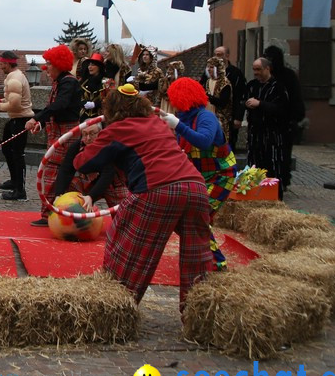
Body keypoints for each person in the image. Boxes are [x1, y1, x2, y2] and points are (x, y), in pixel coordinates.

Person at [71, 84, 212, 309]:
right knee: (198, 255)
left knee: (127, 244)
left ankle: (116, 307)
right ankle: (201, 311)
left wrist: (85, 146)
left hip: (157, 189)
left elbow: (85, 163)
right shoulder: (158, 124)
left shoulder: (119, 129)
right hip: (195, 187)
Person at [162, 77, 235, 271]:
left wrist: (177, 125)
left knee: (199, 216)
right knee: (187, 217)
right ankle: (204, 256)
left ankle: (217, 262)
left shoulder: (205, 117)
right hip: (199, 178)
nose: (173, 104)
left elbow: (203, 141)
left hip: (221, 175)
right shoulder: (183, 120)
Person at [25, 44, 81, 226]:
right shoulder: (61, 82)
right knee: (56, 172)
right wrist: (41, 123)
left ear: (58, 64)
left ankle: (51, 214)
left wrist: (37, 118)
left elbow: (61, 105)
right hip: (59, 132)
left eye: (49, 63)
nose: (46, 68)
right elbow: (56, 109)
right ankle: (56, 212)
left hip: (66, 134)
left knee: (51, 172)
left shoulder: (68, 82)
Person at [0, 51, 33, 200]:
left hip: (21, 119)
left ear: (7, 63)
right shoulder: (14, 77)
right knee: (7, 148)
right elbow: (12, 100)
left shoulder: (14, 79)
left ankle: (20, 190)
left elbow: (14, 104)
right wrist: (0, 102)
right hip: (15, 119)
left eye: (1, 64)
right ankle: (14, 181)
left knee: (17, 154)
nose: (0, 67)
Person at [245, 57, 291, 199]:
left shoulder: (278, 87)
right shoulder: (252, 85)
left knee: (272, 166)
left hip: (272, 135)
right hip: (255, 133)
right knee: (254, 166)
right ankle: (255, 194)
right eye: (254, 69)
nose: (256, 72)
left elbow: (282, 109)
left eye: (258, 69)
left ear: (267, 69)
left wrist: (260, 104)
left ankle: (274, 196)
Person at [263, 45, 305, 173]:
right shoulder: (265, 76)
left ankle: (282, 179)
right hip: (268, 121)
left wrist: (294, 119)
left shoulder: (287, 76)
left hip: (284, 121)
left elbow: (295, 98)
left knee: (283, 154)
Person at [214, 45, 248, 153]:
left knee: (229, 145)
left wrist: (238, 117)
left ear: (227, 56)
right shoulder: (210, 73)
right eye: (216, 55)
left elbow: (241, 96)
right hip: (213, 113)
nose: (217, 58)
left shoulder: (235, 74)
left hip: (230, 116)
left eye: (220, 55)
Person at [201, 56, 234, 143]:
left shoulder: (224, 83)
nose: (209, 69)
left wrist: (208, 97)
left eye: (211, 67)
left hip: (220, 117)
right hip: (208, 113)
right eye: (208, 67)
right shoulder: (208, 81)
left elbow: (223, 102)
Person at [78, 52, 109, 121]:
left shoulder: (107, 82)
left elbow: (111, 100)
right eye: (89, 65)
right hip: (83, 117)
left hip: (101, 117)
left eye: (93, 65)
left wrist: (95, 104)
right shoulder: (83, 82)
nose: (90, 67)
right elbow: (76, 97)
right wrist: (83, 103)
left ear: (99, 67)